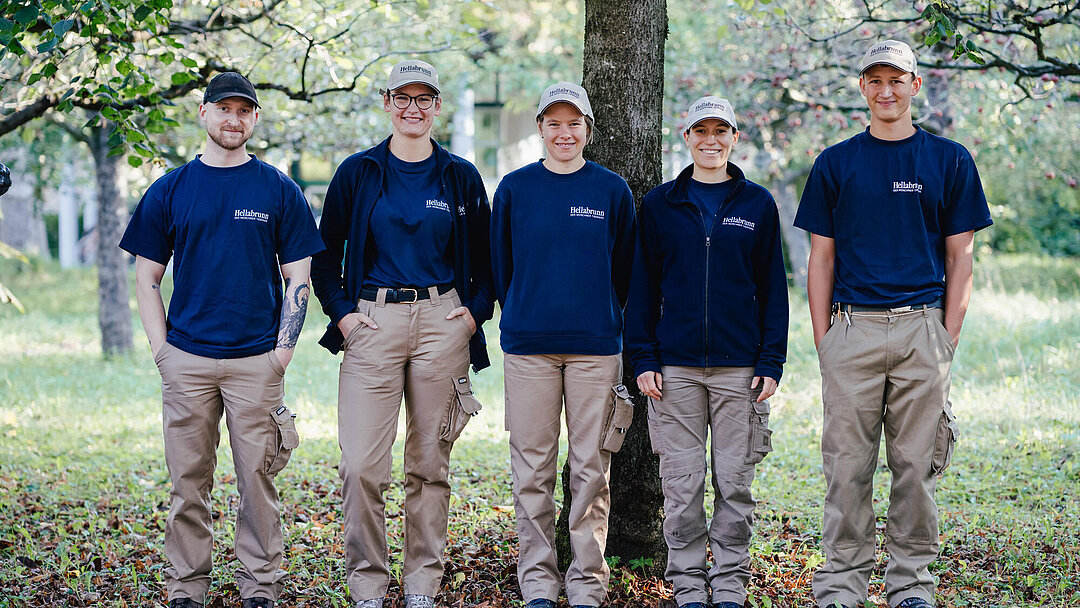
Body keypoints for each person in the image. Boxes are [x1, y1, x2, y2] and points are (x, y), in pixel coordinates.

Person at [794, 40, 992, 608]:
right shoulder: (836, 163)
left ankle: (910, 585)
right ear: (862, 88)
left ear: (915, 86)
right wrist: (825, 340)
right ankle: (841, 585)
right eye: (875, 80)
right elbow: (821, 259)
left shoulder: (948, 160)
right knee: (847, 469)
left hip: (921, 330)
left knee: (915, 468)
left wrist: (944, 336)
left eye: (897, 80)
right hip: (851, 330)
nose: (886, 91)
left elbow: (961, 257)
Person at [120, 72, 324, 608]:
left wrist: (282, 353)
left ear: (254, 118)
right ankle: (187, 588)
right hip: (186, 359)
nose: (234, 120)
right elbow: (146, 276)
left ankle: (261, 587)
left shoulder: (278, 189)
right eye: (224, 109)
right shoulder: (171, 189)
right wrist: (162, 351)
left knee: (258, 482)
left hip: (257, 360)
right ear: (204, 113)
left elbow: (299, 278)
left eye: (244, 111)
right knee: (188, 482)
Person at [309, 59, 493, 608]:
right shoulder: (359, 172)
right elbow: (325, 254)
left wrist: (474, 313)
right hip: (373, 322)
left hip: (443, 322)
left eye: (424, 98)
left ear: (437, 106)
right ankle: (367, 583)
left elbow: (486, 259)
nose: (413, 108)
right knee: (362, 464)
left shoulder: (459, 176)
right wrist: (342, 313)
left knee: (429, 464)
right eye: (402, 97)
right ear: (387, 103)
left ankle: (421, 584)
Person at [625, 95, 788, 608]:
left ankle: (732, 582)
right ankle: (690, 583)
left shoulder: (757, 204)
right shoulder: (660, 205)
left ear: (735, 138)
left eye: (721, 131)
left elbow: (774, 291)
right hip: (674, 369)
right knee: (681, 483)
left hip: (741, 369)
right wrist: (644, 359)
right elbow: (641, 288)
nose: (711, 140)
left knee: (735, 481)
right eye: (701, 131)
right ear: (687, 137)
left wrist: (771, 361)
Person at [490, 82, 636, 608]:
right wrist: (527, 309)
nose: (564, 132)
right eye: (553, 123)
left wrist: (601, 315)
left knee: (590, 467)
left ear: (588, 129)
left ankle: (586, 580)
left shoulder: (611, 191)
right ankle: (537, 579)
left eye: (574, 123)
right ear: (540, 129)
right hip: (529, 346)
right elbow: (500, 267)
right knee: (531, 466)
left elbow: (625, 272)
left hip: (596, 346)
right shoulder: (514, 188)